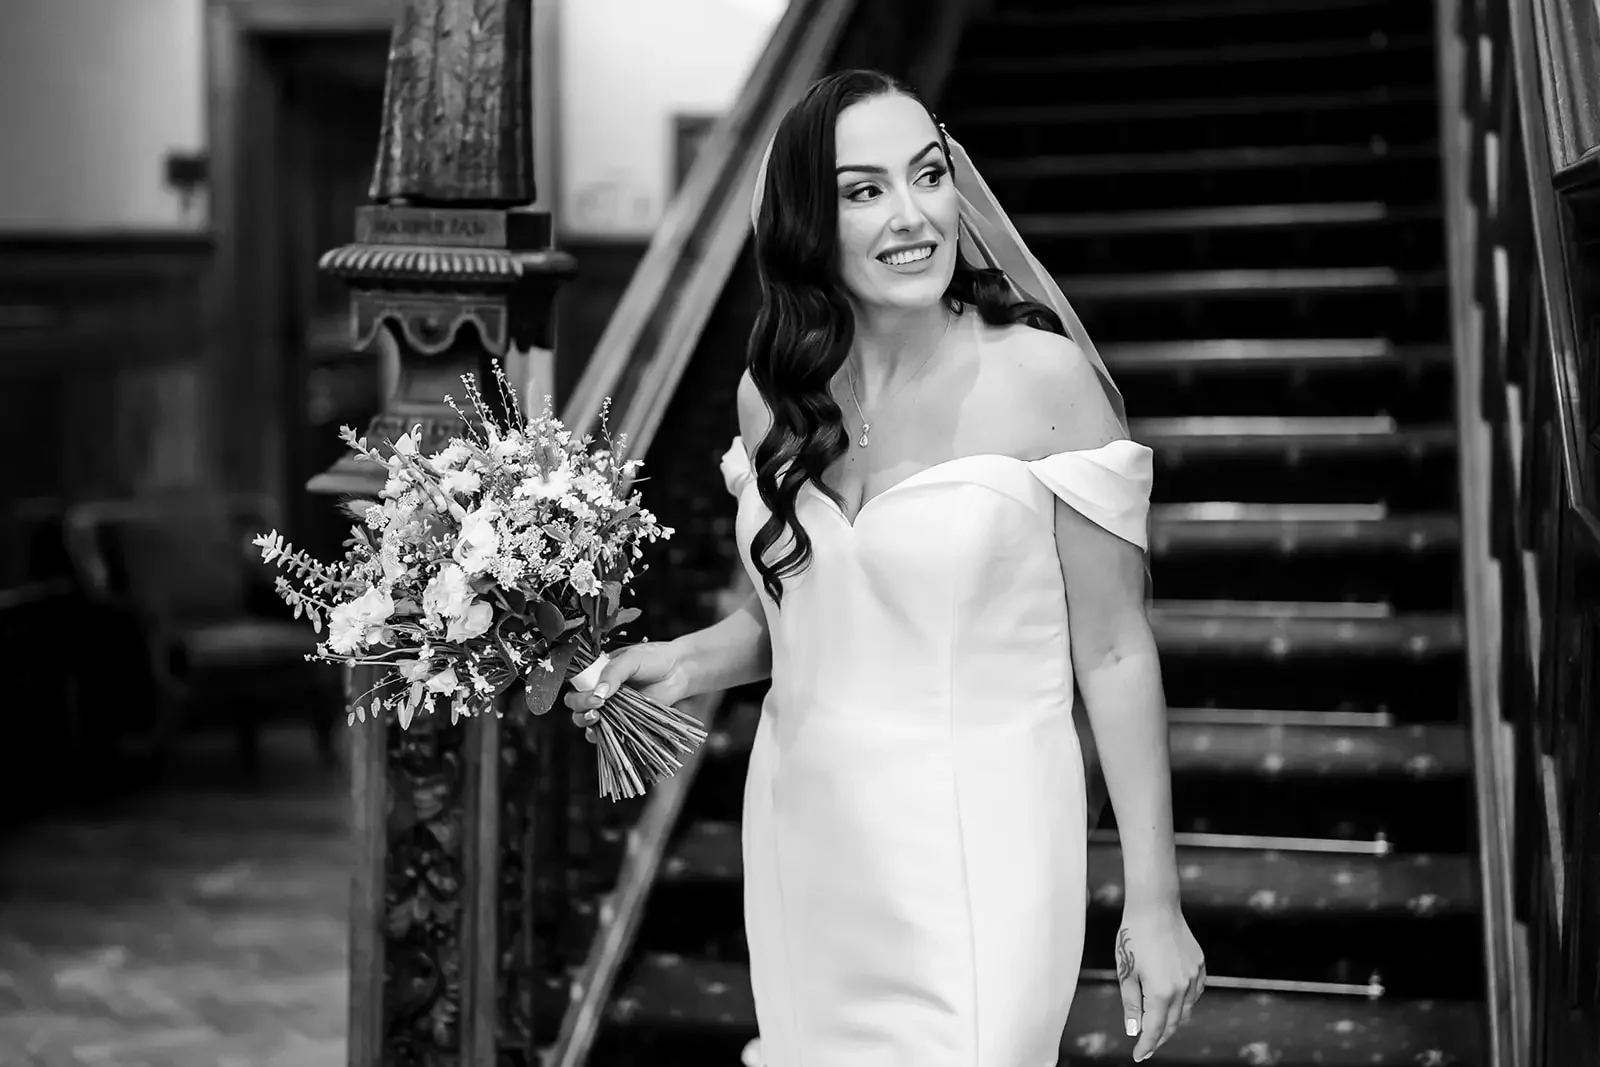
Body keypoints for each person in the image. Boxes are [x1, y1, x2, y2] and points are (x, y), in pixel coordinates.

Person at [565, 68, 1204, 1066]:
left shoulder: (1041, 381)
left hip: (981, 840)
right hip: (805, 828)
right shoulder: (773, 396)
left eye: (928, 175)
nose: (913, 215)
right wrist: (683, 661)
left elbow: (1116, 650)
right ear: (807, 222)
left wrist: (1154, 900)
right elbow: (810, 611)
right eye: (864, 190)